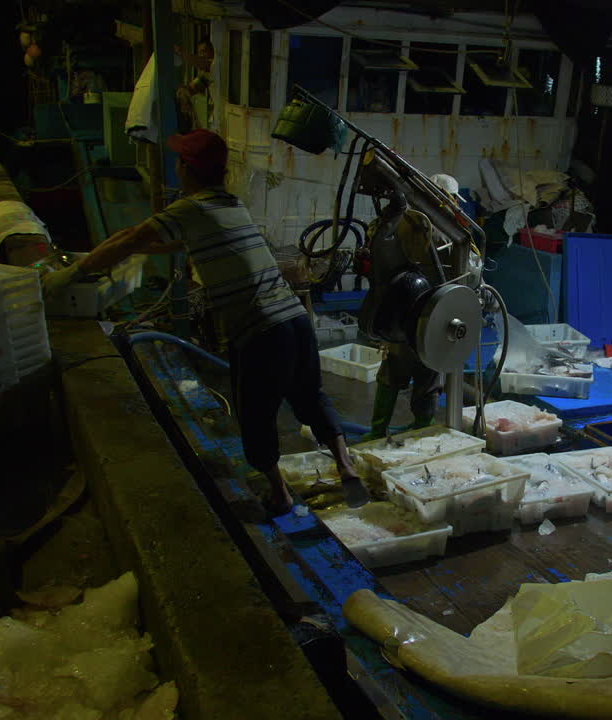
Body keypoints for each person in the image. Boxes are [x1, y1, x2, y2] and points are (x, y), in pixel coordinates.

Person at [42, 129, 369, 514]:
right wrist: (133, 247)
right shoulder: (232, 205)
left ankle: (279, 493)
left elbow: (130, 237)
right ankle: (346, 466)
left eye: (179, 161)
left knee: (256, 414)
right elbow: (182, 242)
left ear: (186, 169)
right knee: (311, 398)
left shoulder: (190, 208)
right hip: (295, 320)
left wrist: (70, 274)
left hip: (260, 329)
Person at [364, 173, 460, 440]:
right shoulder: (444, 232)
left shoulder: (398, 222)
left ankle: (376, 432)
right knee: (428, 378)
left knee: (392, 370)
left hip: (399, 312)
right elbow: (463, 276)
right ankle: (421, 430)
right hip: (433, 315)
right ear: (445, 199)